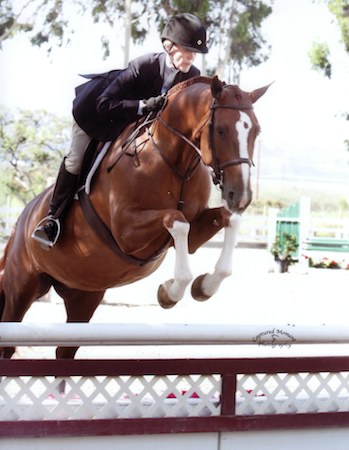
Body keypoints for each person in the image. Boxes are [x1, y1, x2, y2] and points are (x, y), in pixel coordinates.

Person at [32, 13, 208, 247]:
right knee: (75, 160)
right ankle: (52, 220)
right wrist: (142, 106)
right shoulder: (143, 66)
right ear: (169, 46)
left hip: (132, 126)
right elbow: (104, 103)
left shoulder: (192, 76)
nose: (191, 58)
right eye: (187, 51)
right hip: (96, 114)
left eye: (193, 53)